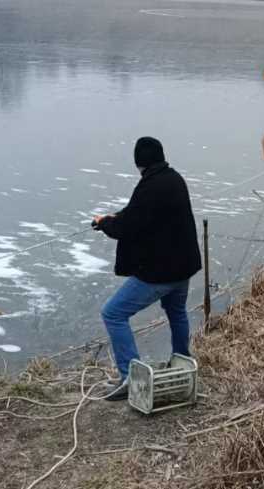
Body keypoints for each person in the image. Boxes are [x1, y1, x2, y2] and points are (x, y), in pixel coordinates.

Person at [92, 137, 202, 401]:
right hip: (183, 268)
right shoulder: (174, 178)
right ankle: (182, 364)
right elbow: (137, 213)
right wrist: (113, 217)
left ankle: (130, 378)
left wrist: (104, 224)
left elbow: (128, 227)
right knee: (177, 313)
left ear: (138, 163)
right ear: (161, 156)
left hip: (160, 273)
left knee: (113, 313)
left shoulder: (149, 186)